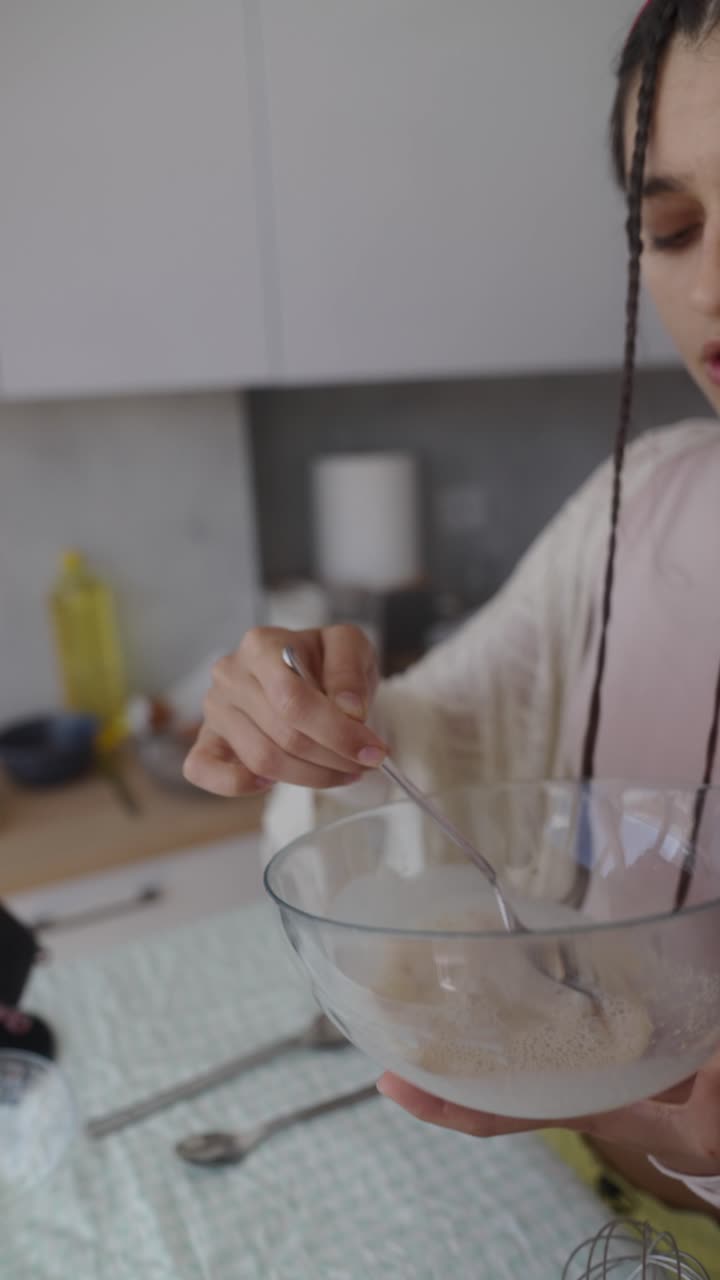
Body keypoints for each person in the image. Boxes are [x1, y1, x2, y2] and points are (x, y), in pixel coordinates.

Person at [184, 0, 720, 1264]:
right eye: (674, 228)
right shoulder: (647, 505)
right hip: (566, 1180)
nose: (712, 280)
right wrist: (309, 710)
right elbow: (442, 745)